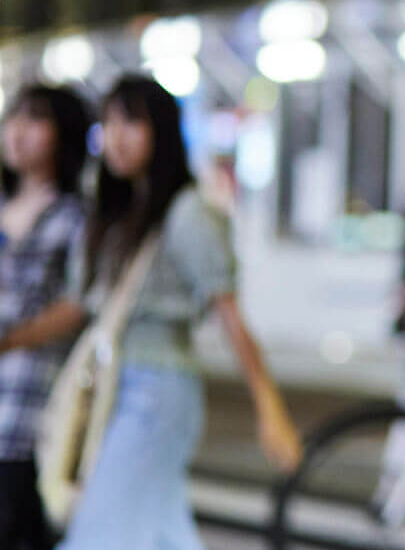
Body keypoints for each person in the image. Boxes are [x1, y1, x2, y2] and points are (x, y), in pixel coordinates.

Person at [0, 75, 303, 549]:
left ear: (162, 130)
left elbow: (230, 316)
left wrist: (270, 408)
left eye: (131, 123)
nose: (116, 138)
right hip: (113, 389)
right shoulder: (115, 216)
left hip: (158, 392)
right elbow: (79, 304)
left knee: (98, 533)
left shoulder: (186, 212)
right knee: (158, 531)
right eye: (109, 124)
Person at [0, 85, 90, 549]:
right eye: (13, 116)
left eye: (35, 119)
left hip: (27, 409)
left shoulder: (75, 218)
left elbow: (79, 305)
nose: (17, 130)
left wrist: (14, 339)